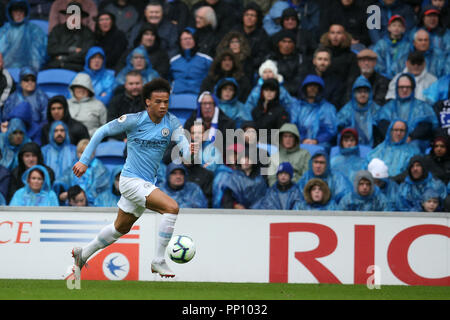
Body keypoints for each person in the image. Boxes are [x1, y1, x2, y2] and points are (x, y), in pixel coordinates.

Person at [70, 78, 198, 278]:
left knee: (119, 228)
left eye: (166, 101)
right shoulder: (134, 120)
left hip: (146, 183)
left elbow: (186, 156)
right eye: (158, 101)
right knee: (171, 208)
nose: (163, 105)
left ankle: (83, 254)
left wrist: (190, 152)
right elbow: (102, 131)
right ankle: (158, 260)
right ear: (148, 101)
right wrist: (84, 160)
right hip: (130, 181)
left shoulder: (172, 122)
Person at [378, 73, 438, 151]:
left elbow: (426, 126)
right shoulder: (388, 107)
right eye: (401, 87)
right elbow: (382, 124)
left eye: (408, 87)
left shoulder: (422, 107)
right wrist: (395, 137)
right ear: (396, 88)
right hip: (392, 142)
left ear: (413, 88)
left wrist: (411, 136)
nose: (404, 90)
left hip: (414, 143)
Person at [54, 138, 110, 206]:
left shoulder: (99, 168)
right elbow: (63, 180)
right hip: (73, 202)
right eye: (81, 152)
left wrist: (82, 196)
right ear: (77, 153)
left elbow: (102, 190)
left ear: (93, 153)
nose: (84, 156)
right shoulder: (74, 165)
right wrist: (66, 193)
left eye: (87, 153)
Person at [290, 75, 337, 152]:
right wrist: (302, 139)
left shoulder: (328, 108)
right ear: (305, 89)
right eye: (310, 86)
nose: (312, 89)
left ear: (320, 89)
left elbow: (331, 130)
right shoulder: (297, 106)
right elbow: (293, 126)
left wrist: (317, 140)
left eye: (315, 87)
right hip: (299, 143)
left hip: (321, 145)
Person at [46, 2, 96, 72]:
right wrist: (71, 49)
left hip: (78, 67)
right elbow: (51, 49)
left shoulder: (88, 33)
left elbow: (86, 53)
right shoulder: (57, 30)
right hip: (55, 65)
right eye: (70, 14)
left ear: (81, 17)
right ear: (66, 16)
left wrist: (63, 58)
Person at [0, 0, 47, 70]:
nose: (18, 14)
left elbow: (39, 54)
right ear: (11, 13)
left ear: (25, 13)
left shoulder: (35, 30)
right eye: (15, 11)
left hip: (29, 72)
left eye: (21, 11)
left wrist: (33, 69)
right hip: (4, 70)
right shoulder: (4, 30)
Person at [337, 76, 382, 147]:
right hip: (351, 145)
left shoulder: (375, 109)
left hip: (372, 147)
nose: (363, 95)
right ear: (354, 94)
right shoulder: (347, 109)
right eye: (359, 92)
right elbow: (338, 125)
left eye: (365, 92)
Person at [169, 27, 213, 96]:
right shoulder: (173, 61)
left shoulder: (206, 60)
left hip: (200, 98)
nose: (187, 41)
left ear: (195, 40)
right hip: (177, 97)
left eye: (190, 38)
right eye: (184, 39)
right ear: (180, 42)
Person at [232, 2, 271, 78]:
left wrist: (248, 64)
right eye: (247, 15)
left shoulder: (262, 35)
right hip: (234, 66)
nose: (249, 17)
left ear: (257, 18)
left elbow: (263, 55)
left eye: (252, 15)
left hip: (253, 69)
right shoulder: (234, 31)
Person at [319, 24, 360, 90]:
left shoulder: (352, 57)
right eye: (332, 33)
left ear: (344, 36)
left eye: (339, 33)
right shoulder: (321, 54)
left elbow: (352, 80)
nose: (335, 36)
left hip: (343, 92)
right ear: (328, 36)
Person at [265, 30, 305, 97]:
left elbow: (299, 81)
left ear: (294, 45)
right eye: (283, 41)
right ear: (278, 43)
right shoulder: (270, 59)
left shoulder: (300, 59)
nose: (286, 45)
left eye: (290, 42)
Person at [107, 71, 145, 140]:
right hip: (119, 139)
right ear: (125, 85)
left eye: (137, 83)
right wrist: (123, 138)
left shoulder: (149, 101)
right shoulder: (116, 100)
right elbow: (111, 123)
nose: (134, 87)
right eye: (131, 84)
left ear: (142, 84)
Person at [67, 72, 107, 137]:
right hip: (68, 140)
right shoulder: (66, 103)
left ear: (89, 89)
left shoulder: (99, 105)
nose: (80, 90)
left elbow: (105, 127)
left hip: (91, 141)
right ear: (73, 89)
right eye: (78, 87)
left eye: (84, 87)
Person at [372, 14, 411, 80]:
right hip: (382, 79)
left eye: (399, 26)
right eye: (394, 25)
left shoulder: (407, 46)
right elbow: (377, 63)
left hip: (402, 79)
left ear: (403, 29)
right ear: (389, 28)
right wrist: (384, 76)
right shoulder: (381, 44)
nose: (396, 28)